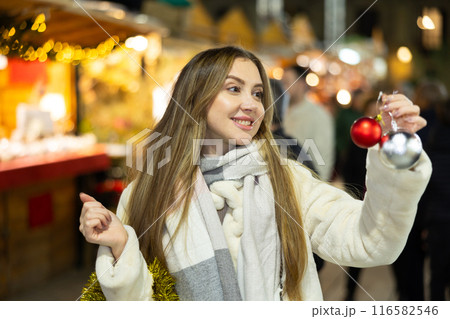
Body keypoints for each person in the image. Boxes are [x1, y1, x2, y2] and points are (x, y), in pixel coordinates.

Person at [79, 46, 431, 301]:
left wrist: (395, 155)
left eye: (258, 93)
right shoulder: (145, 193)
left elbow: (370, 242)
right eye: (234, 88)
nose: (252, 104)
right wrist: (121, 246)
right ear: (195, 98)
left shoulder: (288, 180)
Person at [281, 65, 335, 181]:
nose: (282, 87)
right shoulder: (279, 111)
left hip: (305, 184)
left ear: (301, 84)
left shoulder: (318, 115)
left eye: (286, 82)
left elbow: (322, 159)